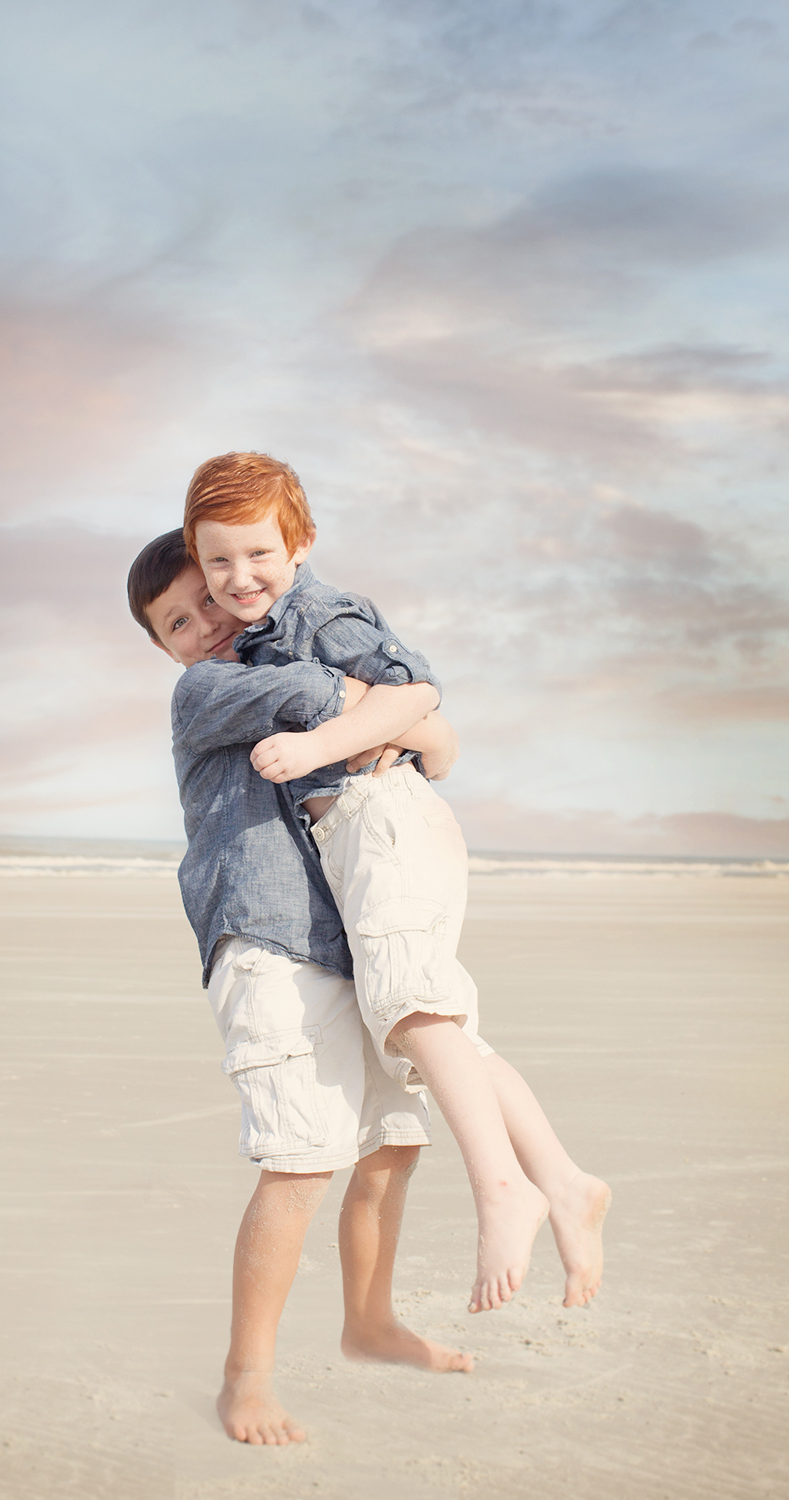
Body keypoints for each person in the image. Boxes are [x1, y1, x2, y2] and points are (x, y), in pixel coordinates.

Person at [184, 452, 612, 1316]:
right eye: (218, 561)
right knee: (436, 1027)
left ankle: (506, 1191)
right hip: (367, 832)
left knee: (415, 1013)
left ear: (300, 544)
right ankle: (563, 1182)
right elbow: (427, 727)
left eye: (258, 554)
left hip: (379, 818)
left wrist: (314, 747)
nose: (238, 578)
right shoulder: (249, 652)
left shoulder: (321, 615)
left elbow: (414, 692)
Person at [127, 530, 473, 1449]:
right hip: (266, 940)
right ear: (160, 648)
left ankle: (370, 1321)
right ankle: (246, 1376)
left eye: (208, 599)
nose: (205, 623)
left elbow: (418, 751)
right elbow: (362, 705)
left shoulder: (271, 662)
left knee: (394, 1139)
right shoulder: (206, 689)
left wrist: (418, 730)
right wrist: (418, 716)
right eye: (176, 622)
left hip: (339, 936)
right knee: (300, 1158)